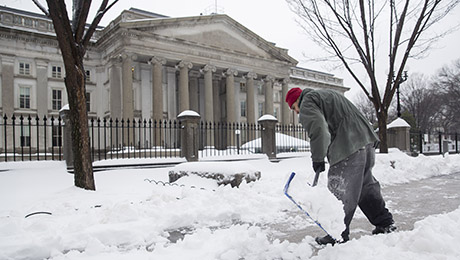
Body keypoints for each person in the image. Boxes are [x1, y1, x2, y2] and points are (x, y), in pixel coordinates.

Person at [285, 87, 396, 245]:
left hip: (349, 143)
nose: (296, 112)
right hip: (366, 140)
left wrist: (317, 158)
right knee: (365, 186)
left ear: (297, 101)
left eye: (294, 108)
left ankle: (336, 233)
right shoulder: (326, 94)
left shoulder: (307, 102)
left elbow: (318, 129)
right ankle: (385, 223)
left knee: (340, 188)